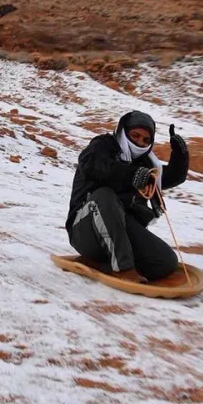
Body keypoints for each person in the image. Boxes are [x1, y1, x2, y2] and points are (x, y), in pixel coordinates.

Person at [66, 111, 189, 283]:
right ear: (123, 131)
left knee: (166, 262)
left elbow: (164, 178)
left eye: (146, 140)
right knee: (104, 196)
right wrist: (133, 175)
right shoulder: (102, 146)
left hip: (122, 229)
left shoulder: (146, 163)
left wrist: (180, 156)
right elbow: (95, 167)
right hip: (85, 230)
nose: (140, 142)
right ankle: (122, 268)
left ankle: (100, 263)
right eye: (135, 136)